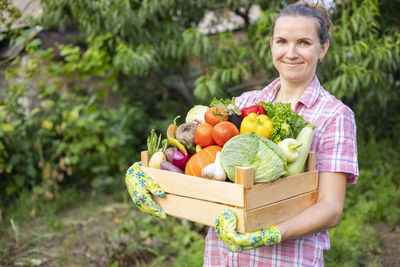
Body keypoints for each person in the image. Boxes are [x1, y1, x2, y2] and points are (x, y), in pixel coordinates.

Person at [125, 1, 359, 266]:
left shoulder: (335, 116)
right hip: (223, 257)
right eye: (282, 41)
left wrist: (271, 234)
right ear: (272, 44)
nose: (291, 52)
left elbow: (330, 209)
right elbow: (201, 160)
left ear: (323, 48)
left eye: (304, 42)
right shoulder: (243, 103)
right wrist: (147, 172)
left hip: (288, 258)